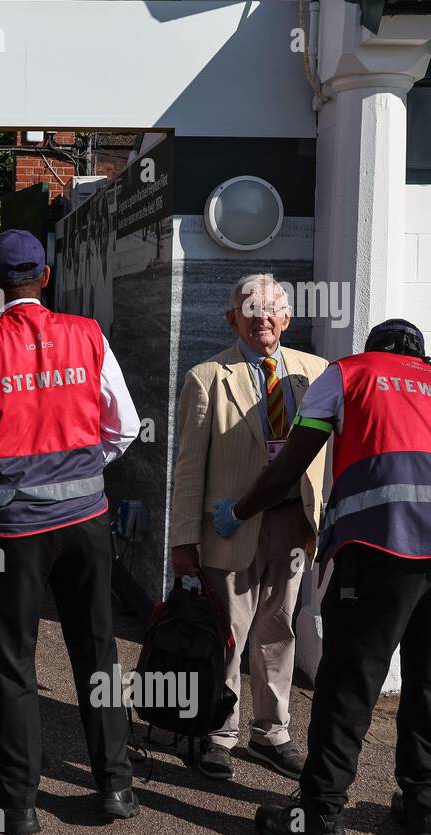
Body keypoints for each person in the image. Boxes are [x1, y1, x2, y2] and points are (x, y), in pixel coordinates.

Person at [216, 320, 431, 835]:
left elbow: (291, 464)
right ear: (422, 355)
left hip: (382, 541)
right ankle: (425, 809)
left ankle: (319, 816)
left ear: (374, 349)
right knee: (430, 673)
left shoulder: (348, 374)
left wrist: (240, 511)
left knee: (350, 678)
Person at [0, 229, 141, 835]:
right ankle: (115, 786)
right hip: (86, 521)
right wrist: (78, 471)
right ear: (45, 277)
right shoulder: (88, 334)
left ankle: (18, 802)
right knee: (97, 653)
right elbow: (122, 428)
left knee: (14, 660)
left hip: (9, 528)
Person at [169, 274, 329, 781]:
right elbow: (190, 466)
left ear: (287, 318)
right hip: (229, 528)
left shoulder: (318, 372)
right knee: (229, 633)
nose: (263, 316)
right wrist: (183, 540)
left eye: (273, 308)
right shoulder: (207, 377)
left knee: (277, 629)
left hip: (291, 525)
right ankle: (219, 730)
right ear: (231, 318)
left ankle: (271, 732)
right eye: (251, 308)